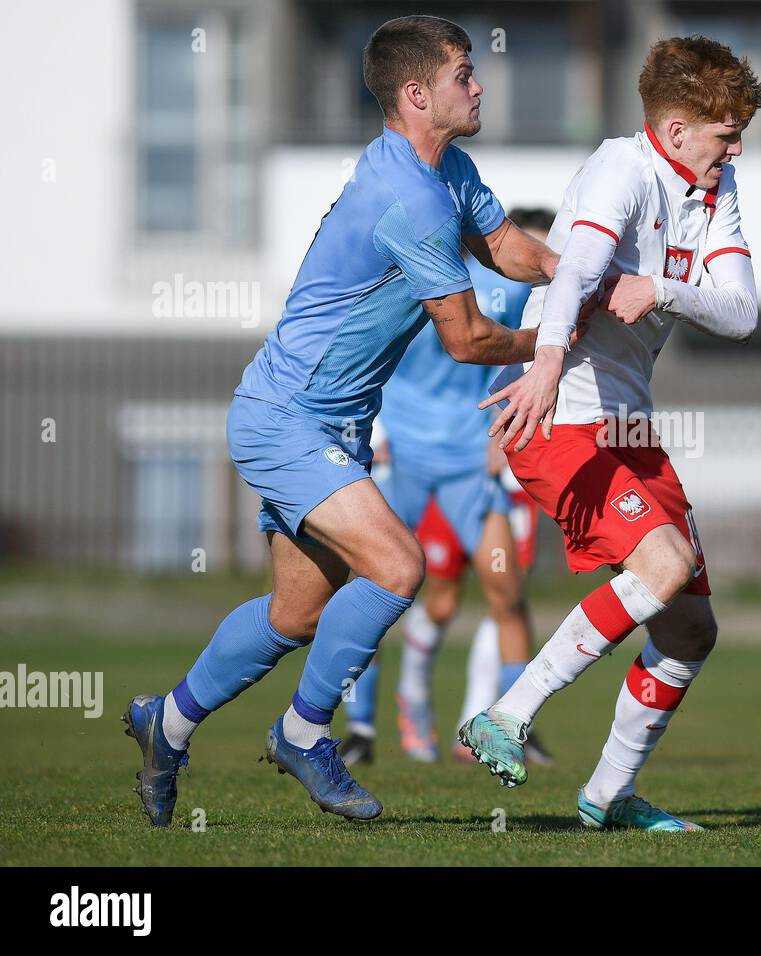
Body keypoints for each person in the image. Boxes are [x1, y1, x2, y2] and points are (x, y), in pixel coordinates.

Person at [123, 16, 567, 826]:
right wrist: (561, 338)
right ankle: (304, 731)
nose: (480, 83)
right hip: (288, 420)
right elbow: (467, 339)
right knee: (399, 568)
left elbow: (507, 247)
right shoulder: (412, 199)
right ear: (416, 93)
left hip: (329, 426)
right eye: (465, 73)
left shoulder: (443, 169)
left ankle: (170, 721)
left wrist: (586, 283)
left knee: (294, 615)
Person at [459, 36, 761, 832]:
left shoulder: (715, 187)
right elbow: (576, 271)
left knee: (692, 629)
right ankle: (506, 713)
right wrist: (547, 367)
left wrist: (661, 286)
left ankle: (607, 795)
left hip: (628, 424)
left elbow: (741, 312)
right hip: (562, 414)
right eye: (726, 134)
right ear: (672, 130)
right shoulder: (622, 170)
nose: (736, 149)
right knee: (662, 566)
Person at [338, 209, 557, 769]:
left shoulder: (504, 291)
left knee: (506, 592)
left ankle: (512, 724)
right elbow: (368, 361)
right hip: (401, 457)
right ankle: (360, 728)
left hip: (469, 464)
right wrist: (376, 431)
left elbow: (532, 353)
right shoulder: (407, 284)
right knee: (372, 593)